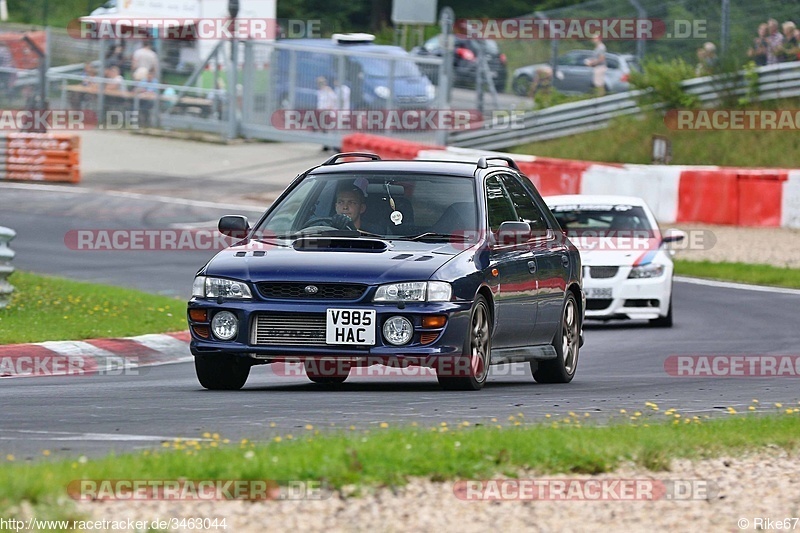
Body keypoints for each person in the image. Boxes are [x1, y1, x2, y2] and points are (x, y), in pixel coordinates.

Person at [316, 76, 337, 151]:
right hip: (321, 112)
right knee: (323, 130)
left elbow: (334, 99)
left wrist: (329, 108)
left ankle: (333, 145)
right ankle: (325, 145)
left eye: (322, 82)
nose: (320, 84)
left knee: (329, 129)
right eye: (319, 83)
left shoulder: (328, 90)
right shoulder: (319, 91)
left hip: (327, 112)